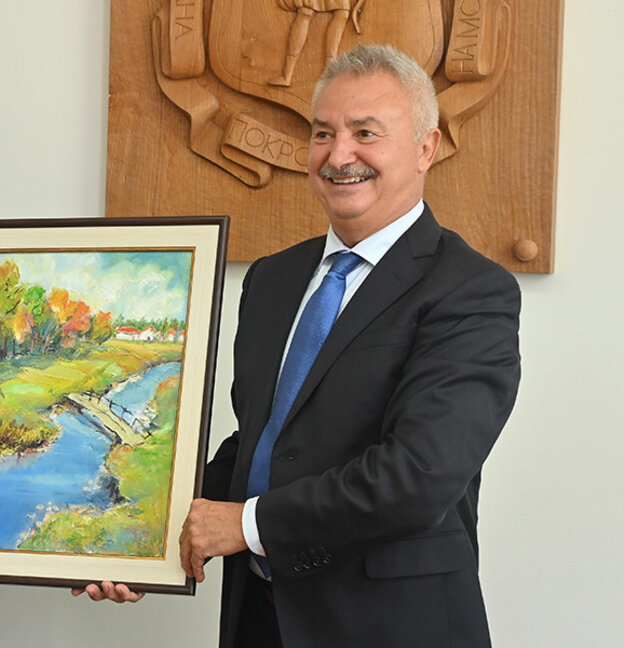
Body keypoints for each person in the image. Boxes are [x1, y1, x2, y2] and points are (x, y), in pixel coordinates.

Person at [177, 44, 521, 647]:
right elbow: (264, 441)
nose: (339, 156)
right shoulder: (272, 278)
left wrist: (245, 524)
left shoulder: (472, 291)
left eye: (366, 133)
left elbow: (416, 476)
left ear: (425, 148)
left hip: (390, 625)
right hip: (259, 619)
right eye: (322, 133)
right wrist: (147, 532)